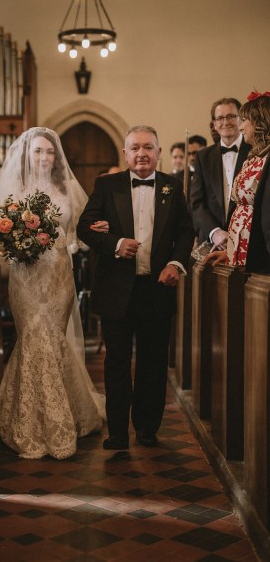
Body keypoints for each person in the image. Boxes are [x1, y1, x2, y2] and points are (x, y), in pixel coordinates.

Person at [0, 127, 104, 459]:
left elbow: (82, 228)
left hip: (59, 277)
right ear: (27, 155)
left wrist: (102, 229)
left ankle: (55, 414)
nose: (43, 157)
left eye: (49, 152)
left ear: (57, 157)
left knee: (51, 338)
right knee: (33, 338)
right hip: (26, 277)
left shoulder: (66, 188)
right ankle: (35, 422)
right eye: (37, 151)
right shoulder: (14, 189)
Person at [77, 125, 195, 450]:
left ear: (158, 152)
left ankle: (146, 428)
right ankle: (116, 433)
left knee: (153, 362)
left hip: (157, 288)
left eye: (148, 147)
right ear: (125, 153)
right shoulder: (106, 185)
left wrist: (176, 263)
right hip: (117, 289)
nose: (141, 153)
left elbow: (186, 230)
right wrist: (115, 243)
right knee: (116, 362)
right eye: (135, 147)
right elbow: (84, 228)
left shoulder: (173, 186)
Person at [205, 93, 270, 271]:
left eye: (243, 120)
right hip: (240, 251)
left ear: (259, 122)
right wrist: (232, 250)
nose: (239, 126)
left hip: (260, 255)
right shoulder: (254, 157)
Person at [190, 97, 250, 247]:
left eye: (231, 116)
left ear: (241, 119)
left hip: (247, 239)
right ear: (214, 124)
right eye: (220, 118)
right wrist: (214, 231)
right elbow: (196, 203)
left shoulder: (255, 151)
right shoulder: (203, 157)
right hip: (212, 242)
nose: (225, 122)